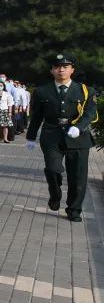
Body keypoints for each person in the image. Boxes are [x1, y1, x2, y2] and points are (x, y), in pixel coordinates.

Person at [26, 54, 98, 222]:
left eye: (65, 66)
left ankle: (74, 209)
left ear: (72, 70)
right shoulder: (42, 91)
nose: (61, 69)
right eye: (57, 66)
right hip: (51, 135)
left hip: (78, 137)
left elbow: (90, 113)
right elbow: (36, 116)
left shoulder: (85, 91)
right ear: (51, 70)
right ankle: (55, 193)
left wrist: (78, 128)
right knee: (52, 169)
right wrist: (30, 137)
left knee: (77, 176)